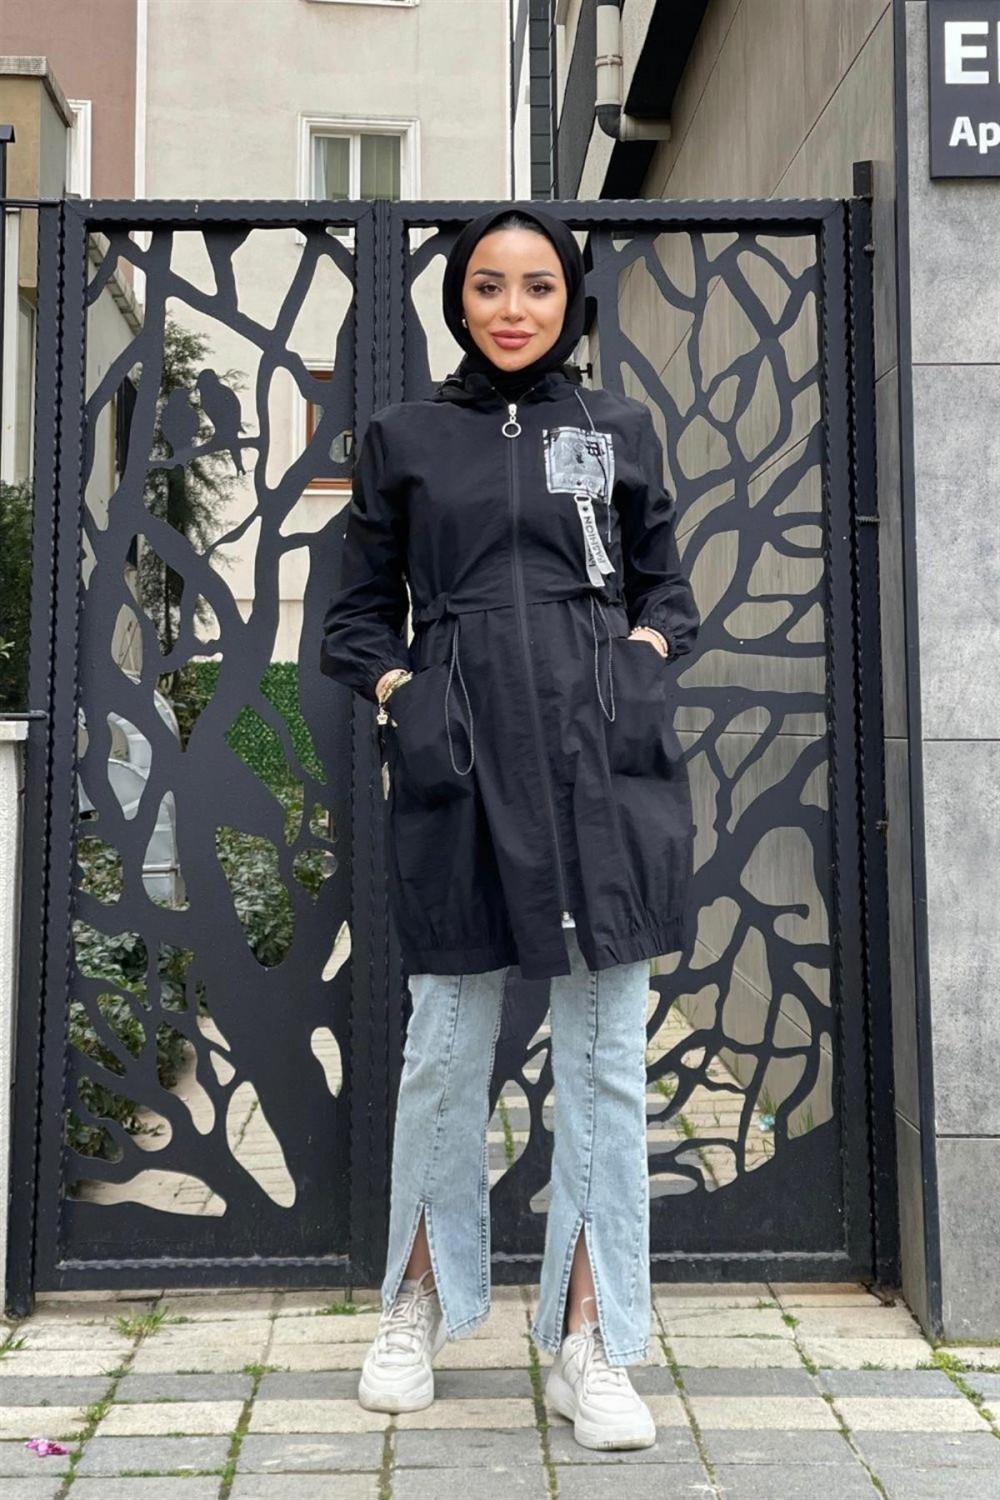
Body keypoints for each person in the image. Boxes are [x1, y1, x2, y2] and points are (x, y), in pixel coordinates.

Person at [320, 204, 699, 1451]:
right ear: (458, 302)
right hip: (463, 764)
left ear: (571, 301)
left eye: (539, 285)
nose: (513, 307)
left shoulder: (617, 427)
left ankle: (593, 1338)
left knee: (603, 1056)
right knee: (443, 1047)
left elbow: (667, 589)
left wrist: (640, 663)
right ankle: (417, 1301)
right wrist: (406, 695)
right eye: (488, 285)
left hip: (603, 766)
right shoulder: (406, 436)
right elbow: (353, 618)